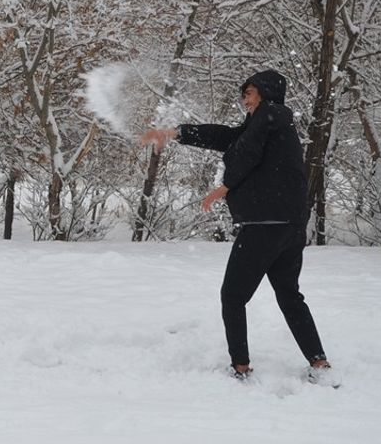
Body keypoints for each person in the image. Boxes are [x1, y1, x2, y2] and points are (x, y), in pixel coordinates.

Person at [140, 69, 334, 384]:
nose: (245, 99)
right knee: (288, 295)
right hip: (290, 226)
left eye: (249, 93)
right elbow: (228, 138)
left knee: (232, 296)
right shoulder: (274, 122)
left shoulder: (269, 115)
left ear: (266, 92)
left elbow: (246, 153)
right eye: (244, 94)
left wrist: (224, 187)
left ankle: (241, 367)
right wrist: (177, 132)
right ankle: (319, 362)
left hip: (263, 225)